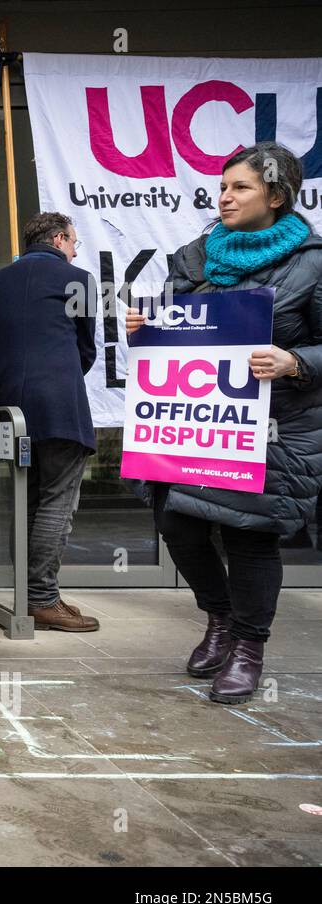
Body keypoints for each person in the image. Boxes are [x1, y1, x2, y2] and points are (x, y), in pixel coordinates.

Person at [125, 141, 322, 705]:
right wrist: (146, 329)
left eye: (241, 187)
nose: (225, 196)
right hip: (192, 425)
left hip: (271, 428)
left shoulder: (312, 262)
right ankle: (220, 618)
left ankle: (248, 648)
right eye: (223, 185)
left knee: (249, 535)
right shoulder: (193, 256)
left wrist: (296, 361)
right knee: (176, 523)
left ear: (277, 196)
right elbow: (175, 330)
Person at [0, 212, 100, 631]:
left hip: (7, 407)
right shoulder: (78, 279)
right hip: (59, 404)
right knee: (58, 498)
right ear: (59, 238)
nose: (76, 250)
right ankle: (42, 598)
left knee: (24, 499)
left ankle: (33, 595)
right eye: (74, 242)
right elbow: (85, 350)